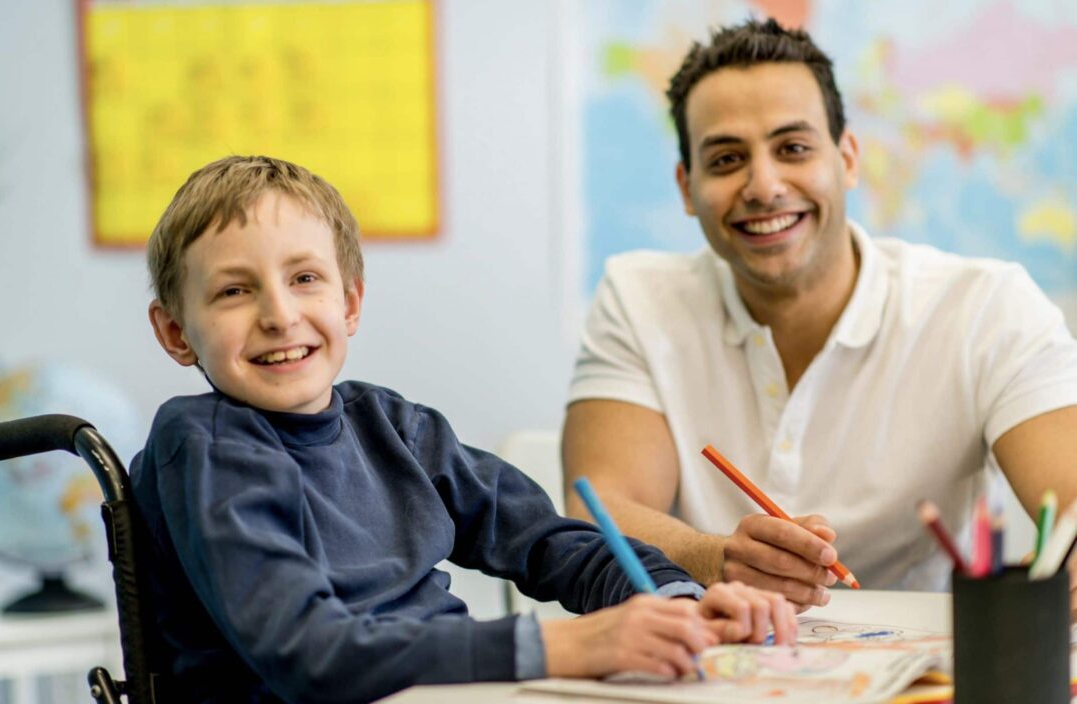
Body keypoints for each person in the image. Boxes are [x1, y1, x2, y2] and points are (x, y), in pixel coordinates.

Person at [130, 155, 797, 703]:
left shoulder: (392, 426)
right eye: (233, 291)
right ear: (175, 332)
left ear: (350, 301)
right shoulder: (202, 446)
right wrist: (567, 645)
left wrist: (677, 598)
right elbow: (310, 655)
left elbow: (546, 539)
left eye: (305, 278)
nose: (279, 315)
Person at [562, 18, 1077, 615]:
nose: (764, 185)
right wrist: (713, 558)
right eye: (727, 159)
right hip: (711, 664)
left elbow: (1069, 499)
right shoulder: (636, 298)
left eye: (793, 148)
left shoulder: (988, 306)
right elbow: (598, 510)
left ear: (848, 158)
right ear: (686, 186)